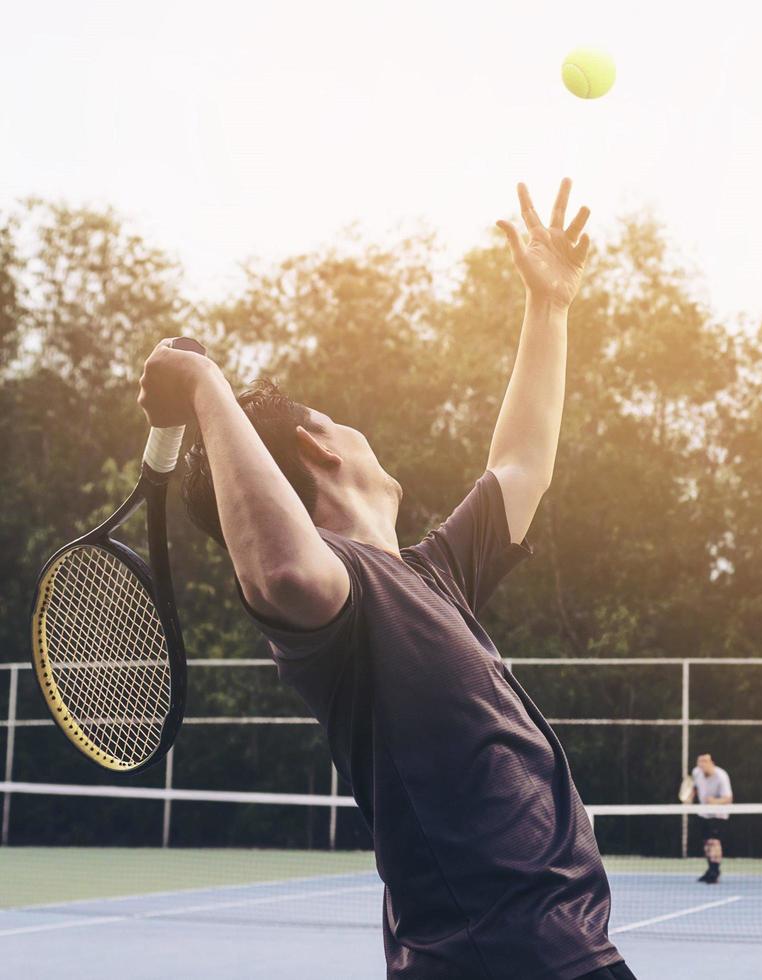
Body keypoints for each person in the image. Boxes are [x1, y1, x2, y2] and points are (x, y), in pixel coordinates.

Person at [138, 180, 635, 980]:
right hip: (505, 959)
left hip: (545, 951)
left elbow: (520, 464)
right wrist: (206, 390)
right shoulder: (344, 596)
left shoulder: (430, 574)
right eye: (337, 420)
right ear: (321, 451)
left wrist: (550, 308)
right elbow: (283, 571)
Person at [690, 752, 733, 883]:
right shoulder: (696, 772)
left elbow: (728, 798)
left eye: (705, 762)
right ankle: (710, 869)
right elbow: (695, 787)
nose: (702, 765)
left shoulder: (721, 776)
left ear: (711, 763)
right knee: (706, 843)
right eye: (700, 763)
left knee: (714, 842)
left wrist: (714, 801)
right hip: (704, 812)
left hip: (719, 814)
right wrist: (690, 797)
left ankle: (715, 871)